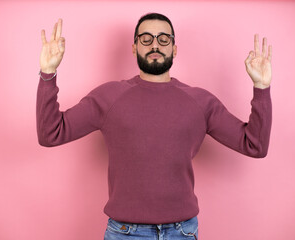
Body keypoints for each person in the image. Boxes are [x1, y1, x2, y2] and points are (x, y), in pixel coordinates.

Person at [37, 13, 272, 240]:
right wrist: (48, 73)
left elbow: (254, 145)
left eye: (163, 39)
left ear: (174, 48)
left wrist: (261, 88)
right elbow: (51, 133)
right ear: (134, 47)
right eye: (146, 39)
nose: (155, 45)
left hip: (182, 232)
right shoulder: (108, 97)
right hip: (124, 233)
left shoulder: (201, 102)